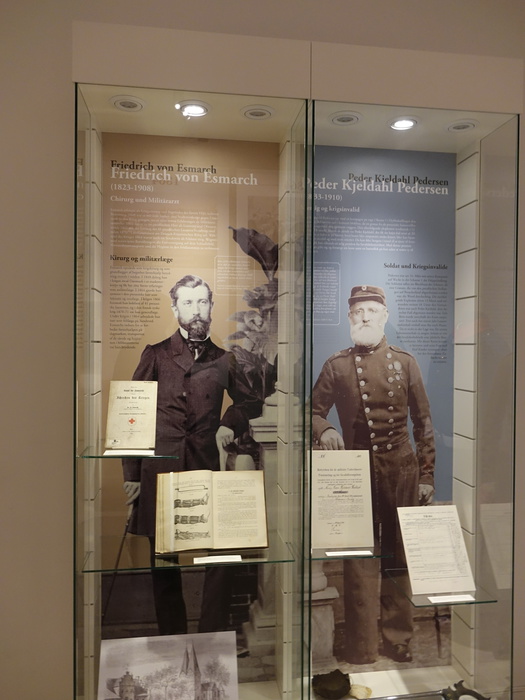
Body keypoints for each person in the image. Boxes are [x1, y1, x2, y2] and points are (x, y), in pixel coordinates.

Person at [122, 274, 262, 635]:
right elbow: (132, 414)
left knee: (219, 555)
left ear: (211, 306)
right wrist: (132, 475)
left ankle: (211, 636)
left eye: (202, 302)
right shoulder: (155, 354)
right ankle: (172, 637)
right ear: (175, 309)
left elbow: (249, 401)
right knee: (164, 561)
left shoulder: (225, 359)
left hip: (206, 466)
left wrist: (229, 423)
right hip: (160, 470)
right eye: (188, 302)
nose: (196, 310)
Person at [311, 285, 435, 664]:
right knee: (359, 557)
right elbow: (310, 411)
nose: (364, 318)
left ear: (384, 316)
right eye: (358, 312)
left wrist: (427, 476)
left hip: (401, 471)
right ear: (350, 318)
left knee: (399, 556)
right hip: (356, 472)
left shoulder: (406, 363)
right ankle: (361, 644)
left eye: (371, 311)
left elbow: (423, 423)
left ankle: (397, 637)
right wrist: (324, 429)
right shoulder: (336, 365)